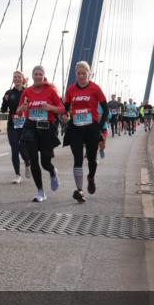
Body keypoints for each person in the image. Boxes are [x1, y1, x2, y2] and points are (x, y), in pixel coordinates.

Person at [16, 65, 65, 203]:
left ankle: (52, 171)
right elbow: (18, 111)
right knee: (33, 160)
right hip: (30, 127)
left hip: (46, 127)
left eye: (40, 74)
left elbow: (61, 109)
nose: (37, 76)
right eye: (35, 74)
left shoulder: (50, 90)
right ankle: (40, 191)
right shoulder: (27, 92)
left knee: (45, 162)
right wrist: (22, 108)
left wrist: (50, 108)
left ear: (43, 76)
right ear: (32, 76)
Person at [63, 62, 108, 203]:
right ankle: (80, 190)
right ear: (76, 75)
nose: (81, 76)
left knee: (91, 159)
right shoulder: (70, 90)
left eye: (84, 73)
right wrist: (64, 116)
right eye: (78, 73)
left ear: (89, 74)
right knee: (77, 159)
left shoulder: (95, 89)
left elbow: (105, 110)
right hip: (76, 128)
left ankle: (91, 178)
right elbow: (66, 108)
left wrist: (99, 126)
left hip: (91, 128)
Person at [0, 70, 28, 184]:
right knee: (15, 148)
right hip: (12, 124)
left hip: (25, 124)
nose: (16, 79)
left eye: (18, 77)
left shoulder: (27, 92)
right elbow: (2, 110)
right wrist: (5, 101)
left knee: (23, 148)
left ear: (22, 79)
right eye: (14, 77)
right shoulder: (8, 93)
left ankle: (27, 162)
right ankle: (17, 175)